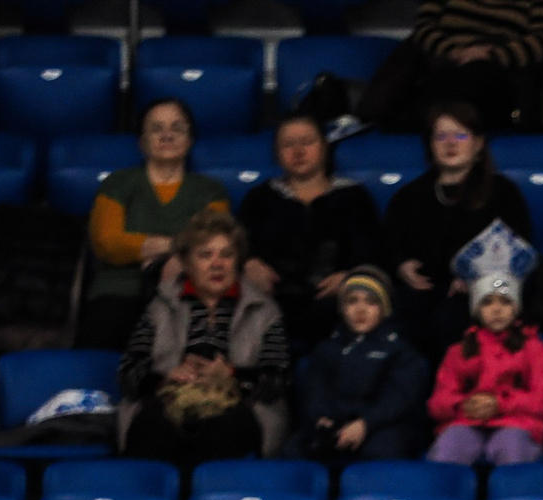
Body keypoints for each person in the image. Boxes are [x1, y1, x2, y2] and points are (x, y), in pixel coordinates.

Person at [117, 210, 290, 470]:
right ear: (187, 263)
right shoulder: (159, 307)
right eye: (205, 255)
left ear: (238, 260)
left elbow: (279, 379)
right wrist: (166, 378)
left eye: (226, 255)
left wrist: (232, 375)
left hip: (238, 407)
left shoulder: (264, 311)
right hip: (168, 402)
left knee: (222, 426)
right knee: (155, 425)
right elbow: (128, 373)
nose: (217, 264)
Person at [383, 103, 535, 359]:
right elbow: (388, 246)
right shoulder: (408, 197)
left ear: (478, 144)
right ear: (430, 145)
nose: (450, 143)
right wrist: (400, 266)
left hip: (485, 296)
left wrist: (477, 275)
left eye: (461, 135)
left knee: (450, 318)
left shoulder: (503, 193)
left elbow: (519, 249)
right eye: (441, 136)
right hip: (422, 293)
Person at [81, 100, 228, 352]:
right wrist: (175, 246)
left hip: (188, 291)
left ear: (190, 139)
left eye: (177, 128)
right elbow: (106, 242)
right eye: (156, 128)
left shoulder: (210, 190)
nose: (167, 135)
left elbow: (213, 246)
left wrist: (145, 246)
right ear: (142, 142)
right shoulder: (117, 184)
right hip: (118, 291)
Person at [239, 115, 389, 361]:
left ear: (324, 147)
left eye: (307, 142)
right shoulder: (260, 198)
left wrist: (350, 277)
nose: (298, 151)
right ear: (277, 154)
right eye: (288, 145)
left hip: (336, 303)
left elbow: (373, 251)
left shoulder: (354, 197)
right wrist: (249, 263)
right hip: (272, 298)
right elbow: (237, 244)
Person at [286, 267, 433, 465]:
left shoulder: (400, 351)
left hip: (379, 427)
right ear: (342, 308)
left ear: (385, 308)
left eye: (371, 302)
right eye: (352, 301)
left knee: (381, 453)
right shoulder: (327, 349)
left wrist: (365, 424)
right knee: (293, 451)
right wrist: (320, 417)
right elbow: (315, 388)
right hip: (332, 424)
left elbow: (398, 398)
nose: (360, 309)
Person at [359, 0, 543, 134]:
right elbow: (425, 26)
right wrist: (452, 51)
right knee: (410, 59)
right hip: (443, 56)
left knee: (476, 75)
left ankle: (420, 124)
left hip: (499, 64)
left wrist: (493, 56)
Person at [426, 273, 543, 468]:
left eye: (505, 302)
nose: (496, 309)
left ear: (515, 308)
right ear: (477, 309)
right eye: (487, 302)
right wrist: (465, 405)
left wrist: (500, 404)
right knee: (449, 448)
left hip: (517, 424)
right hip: (466, 422)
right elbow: (438, 402)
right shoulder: (458, 351)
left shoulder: (534, 349)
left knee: (511, 449)